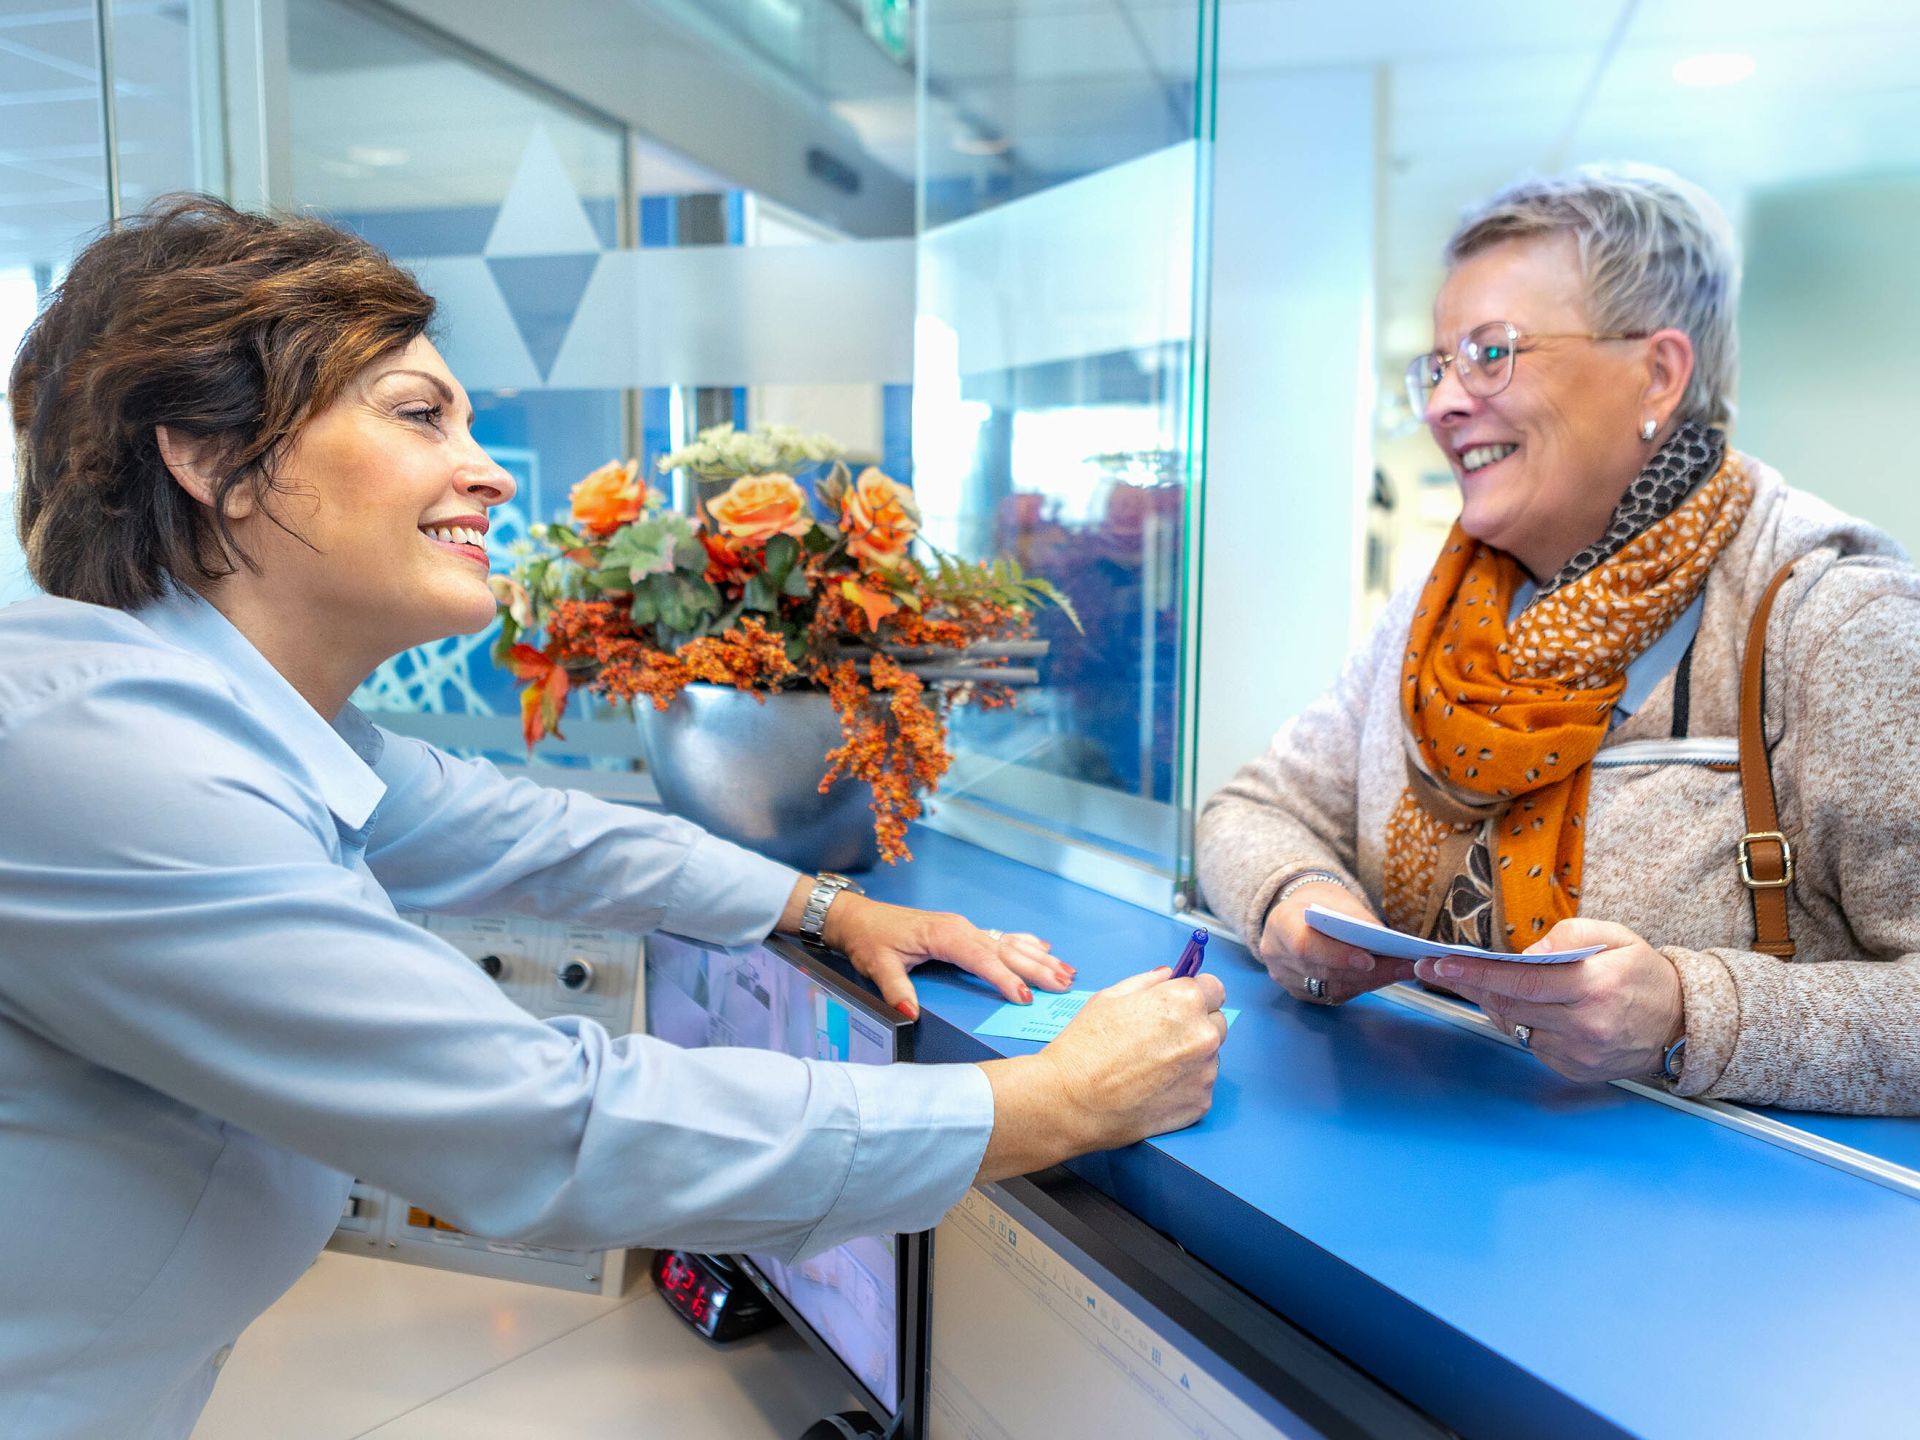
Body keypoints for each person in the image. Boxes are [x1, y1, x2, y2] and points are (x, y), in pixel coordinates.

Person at [0, 197, 1227, 1440]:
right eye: (420, 414)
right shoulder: (100, 756)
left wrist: (826, 906)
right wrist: (1054, 1105)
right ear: (209, 458)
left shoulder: (214, 718)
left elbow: (526, 833)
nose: (483, 467)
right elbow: (545, 1125)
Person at [1197, 164, 1920, 1116]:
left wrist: (1689, 1015)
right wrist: (1295, 900)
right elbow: (1252, 808)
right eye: (1440, 364)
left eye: (1492, 353)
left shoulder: (1834, 622)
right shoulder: (1433, 611)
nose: (1444, 403)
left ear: (1658, 373)